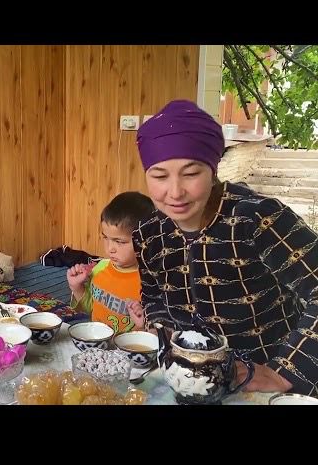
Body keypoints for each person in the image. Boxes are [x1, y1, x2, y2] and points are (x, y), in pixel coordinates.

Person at [127, 99, 318, 396]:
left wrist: (284, 371)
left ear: (212, 169)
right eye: (160, 176)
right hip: (187, 382)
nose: (175, 192)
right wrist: (159, 329)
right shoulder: (149, 233)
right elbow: (154, 296)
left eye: (191, 173)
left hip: (267, 386)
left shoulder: (258, 218)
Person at [67, 191, 155, 333]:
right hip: (96, 342)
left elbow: (153, 336)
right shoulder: (100, 268)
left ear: (146, 241)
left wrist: (143, 325)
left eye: (119, 242)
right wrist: (76, 287)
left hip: (127, 347)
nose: (110, 249)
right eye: (105, 238)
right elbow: (89, 308)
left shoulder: (151, 284)